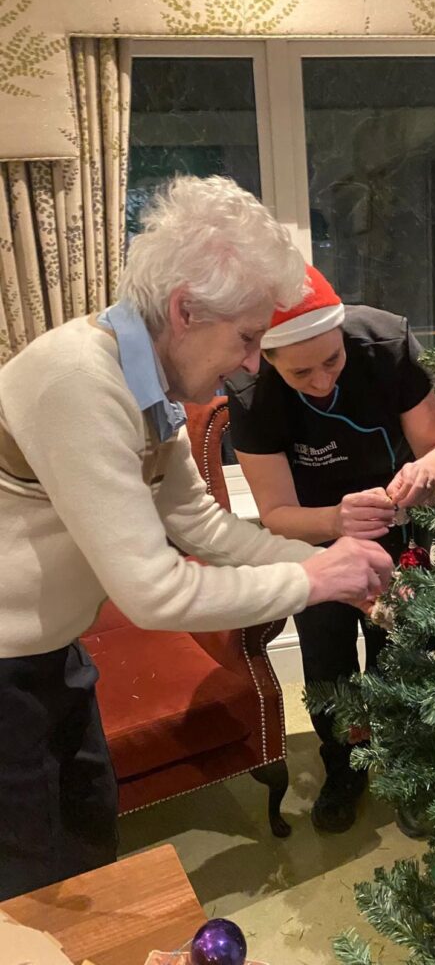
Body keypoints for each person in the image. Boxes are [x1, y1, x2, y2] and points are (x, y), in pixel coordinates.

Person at [0, 177, 394, 899]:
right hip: (6, 668)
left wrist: (326, 560)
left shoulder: (144, 382)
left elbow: (201, 526)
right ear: (185, 311)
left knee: (88, 842)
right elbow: (153, 591)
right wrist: (317, 581)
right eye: (246, 339)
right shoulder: (79, 383)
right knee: (37, 888)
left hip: (52, 651)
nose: (251, 363)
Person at [226, 266, 435, 834]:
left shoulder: (385, 344)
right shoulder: (252, 392)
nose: (322, 379)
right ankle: (344, 770)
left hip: (400, 527)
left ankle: (407, 766)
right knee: (327, 660)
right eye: (301, 370)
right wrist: (336, 519)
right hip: (313, 538)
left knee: (400, 651)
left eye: (332, 360)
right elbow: (276, 512)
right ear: (269, 361)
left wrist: (423, 472)